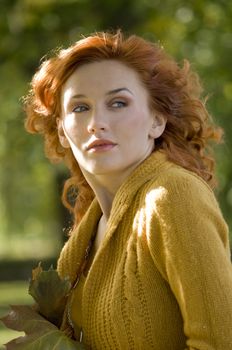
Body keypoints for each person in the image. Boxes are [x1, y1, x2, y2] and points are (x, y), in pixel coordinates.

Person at [24, 30, 232, 349]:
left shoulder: (172, 195)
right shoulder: (89, 230)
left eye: (118, 103)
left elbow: (220, 341)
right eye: (80, 108)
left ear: (157, 121)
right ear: (62, 131)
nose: (97, 122)